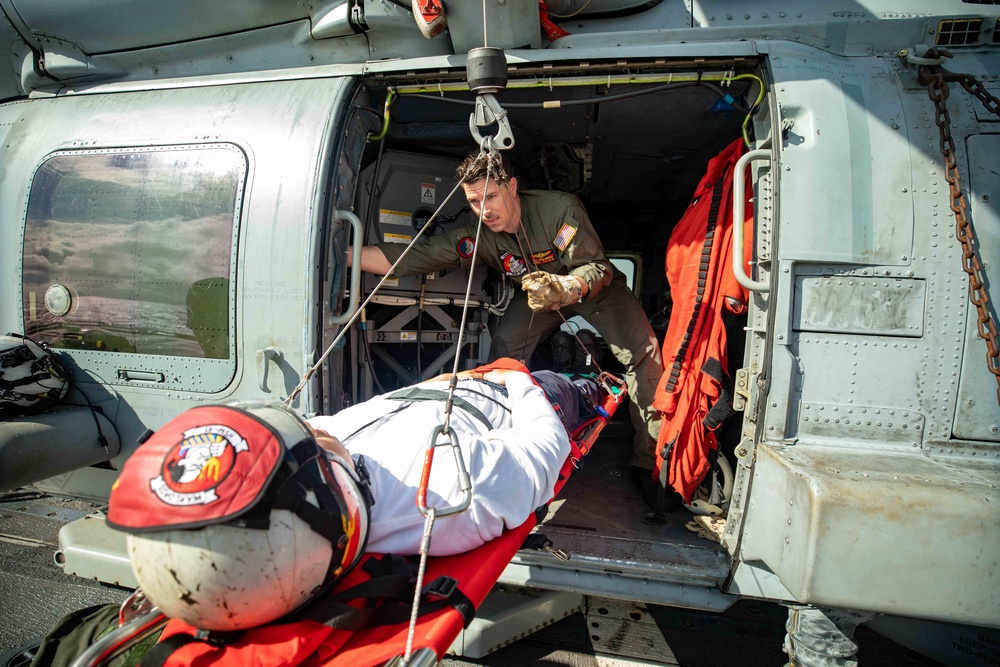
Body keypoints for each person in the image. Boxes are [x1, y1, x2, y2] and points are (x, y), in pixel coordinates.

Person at [106, 360, 600, 631]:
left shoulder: (314, 462)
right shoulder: (452, 490)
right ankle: (595, 382)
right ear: (323, 497)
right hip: (513, 395)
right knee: (569, 385)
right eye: (302, 433)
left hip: (442, 387)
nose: (306, 424)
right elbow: (547, 443)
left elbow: (313, 433)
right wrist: (516, 378)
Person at [352, 150, 665, 506]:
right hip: (536, 298)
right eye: (474, 201)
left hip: (593, 291)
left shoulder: (558, 210)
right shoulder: (481, 236)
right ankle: (500, 447)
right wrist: (346, 254)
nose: (485, 209)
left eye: (491, 196)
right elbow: (417, 256)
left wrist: (566, 288)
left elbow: (596, 267)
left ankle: (650, 464)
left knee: (646, 354)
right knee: (504, 353)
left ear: (511, 187)